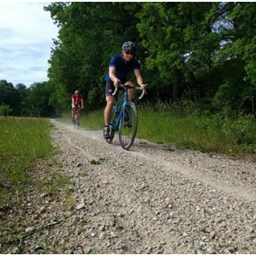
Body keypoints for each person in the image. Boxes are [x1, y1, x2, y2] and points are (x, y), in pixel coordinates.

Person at [103, 41, 147, 139]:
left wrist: (141, 84)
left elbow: (138, 75)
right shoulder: (116, 58)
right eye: (127, 53)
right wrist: (115, 79)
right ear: (123, 51)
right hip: (111, 80)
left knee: (131, 85)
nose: (129, 55)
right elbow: (111, 72)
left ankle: (126, 107)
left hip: (123, 80)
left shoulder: (134, 61)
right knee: (110, 102)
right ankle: (106, 127)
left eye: (132, 53)